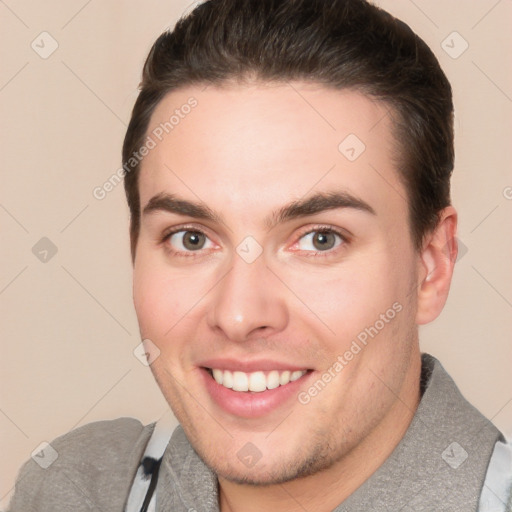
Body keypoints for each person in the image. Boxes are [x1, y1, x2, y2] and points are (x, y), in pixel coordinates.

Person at [8, 0, 511, 510]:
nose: (240, 315)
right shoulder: (72, 492)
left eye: (320, 239)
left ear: (431, 266)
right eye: (191, 238)